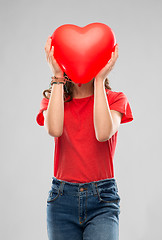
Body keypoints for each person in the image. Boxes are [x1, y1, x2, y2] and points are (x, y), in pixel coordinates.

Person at [36, 36, 134, 240]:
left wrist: (98, 81)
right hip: (61, 199)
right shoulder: (54, 99)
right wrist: (57, 75)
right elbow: (54, 129)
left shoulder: (115, 99)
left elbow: (103, 133)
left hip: (102, 200)